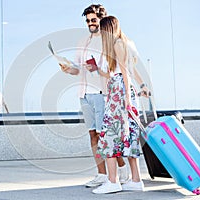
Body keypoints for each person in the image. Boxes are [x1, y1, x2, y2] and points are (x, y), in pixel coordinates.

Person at [60, 4, 129, 187]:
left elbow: (116, 69)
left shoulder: (110, 41)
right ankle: (101, 174)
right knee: (93, 135)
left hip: (102, 93)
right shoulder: (83, 42)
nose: (90, 24)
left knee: (105, 135)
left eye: (93, 20)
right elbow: (77, 69)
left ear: (101, 19)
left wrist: (98, 69)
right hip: (85, 94)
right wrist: (69, 69)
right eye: (88, 21)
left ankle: (121, 169)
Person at [92, 16, 148, 194]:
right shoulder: (125, 43)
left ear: (107, 29)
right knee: (129, 134)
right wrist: (141, 86)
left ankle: (113, 181)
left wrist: (127, 98)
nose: (101, 34)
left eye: (102, 30)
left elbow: (124, 71)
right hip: (125, 89)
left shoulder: (116, 43)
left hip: (120, 92)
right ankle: (136, 180)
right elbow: (130, 70)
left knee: (109, 133)